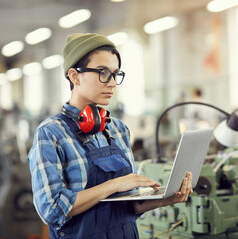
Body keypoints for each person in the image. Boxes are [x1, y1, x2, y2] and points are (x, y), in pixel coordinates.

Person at [28, 33, 193, 239]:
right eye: (103, 72)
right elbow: (51, 209)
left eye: (115, 74)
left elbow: (126, 206)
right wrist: (115, 184)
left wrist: (165, 199)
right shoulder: (51, 133)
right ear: (74, 76)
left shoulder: (118, 129)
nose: (113, 83)